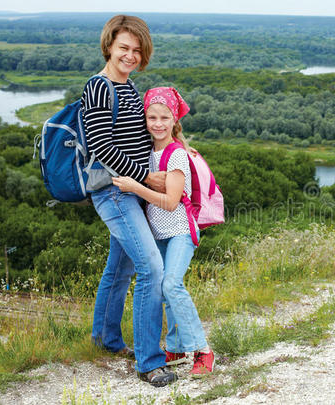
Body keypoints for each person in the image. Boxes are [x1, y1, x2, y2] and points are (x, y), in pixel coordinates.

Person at [83, 15, 176, 387]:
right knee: (152, 268)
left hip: (132, 192)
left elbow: (142, 138)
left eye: (137, 50)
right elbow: (101, 146)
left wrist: (178, 152)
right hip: (114, 191)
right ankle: (149, 361)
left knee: (119, 270)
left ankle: (104, 339)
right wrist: (144, 178)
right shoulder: (98, 87)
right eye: (124, 47)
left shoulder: (129, 86)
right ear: (109, 46)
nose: (130, 55)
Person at [112, 86, 215, 377]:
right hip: (158, 234)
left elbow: (170, 203)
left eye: (164, 118)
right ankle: (176, 348)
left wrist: (136, 188)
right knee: (162, 290)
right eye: (152, 117)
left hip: (181, 231)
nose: (157, 124)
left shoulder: (176, 156)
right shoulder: (147, 152)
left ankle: (202, 350)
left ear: (175, 121)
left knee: (171, 285)